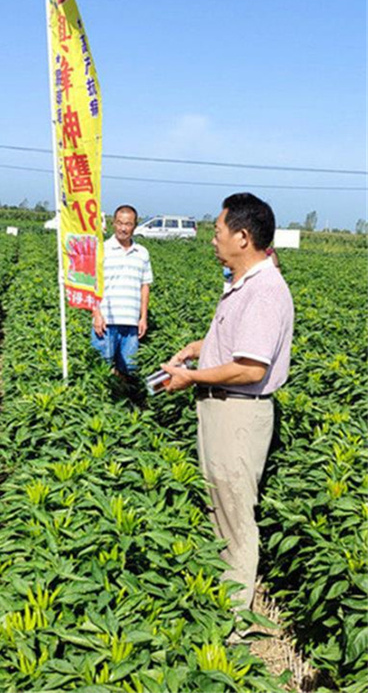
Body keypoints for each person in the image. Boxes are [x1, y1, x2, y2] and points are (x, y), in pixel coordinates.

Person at [160, 193, 294, 610]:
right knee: (220, 511)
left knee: (235, 520)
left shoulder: (266, 290)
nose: (212, 239)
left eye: (217, 231)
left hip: (237, 414)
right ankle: (220, 604)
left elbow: (251, 368)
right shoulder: (245, 285)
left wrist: (191, 377)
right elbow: (238, 345)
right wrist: (197, 348)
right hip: (223, 410)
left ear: (242, 236)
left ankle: (232, 623)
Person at [91, 205, 153, 375]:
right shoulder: (101, 249)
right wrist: (96, 315)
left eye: (128, 224)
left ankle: (124, 399)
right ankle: (106, 400)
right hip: (105, 322)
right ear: (113, 223)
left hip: (131, 323)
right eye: (119, 223)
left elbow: (145, 286)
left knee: (129, 369)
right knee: (102, 370)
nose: (123, 228)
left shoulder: (142, 253)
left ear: (135, 226)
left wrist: (143, 318)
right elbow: (92, 284)